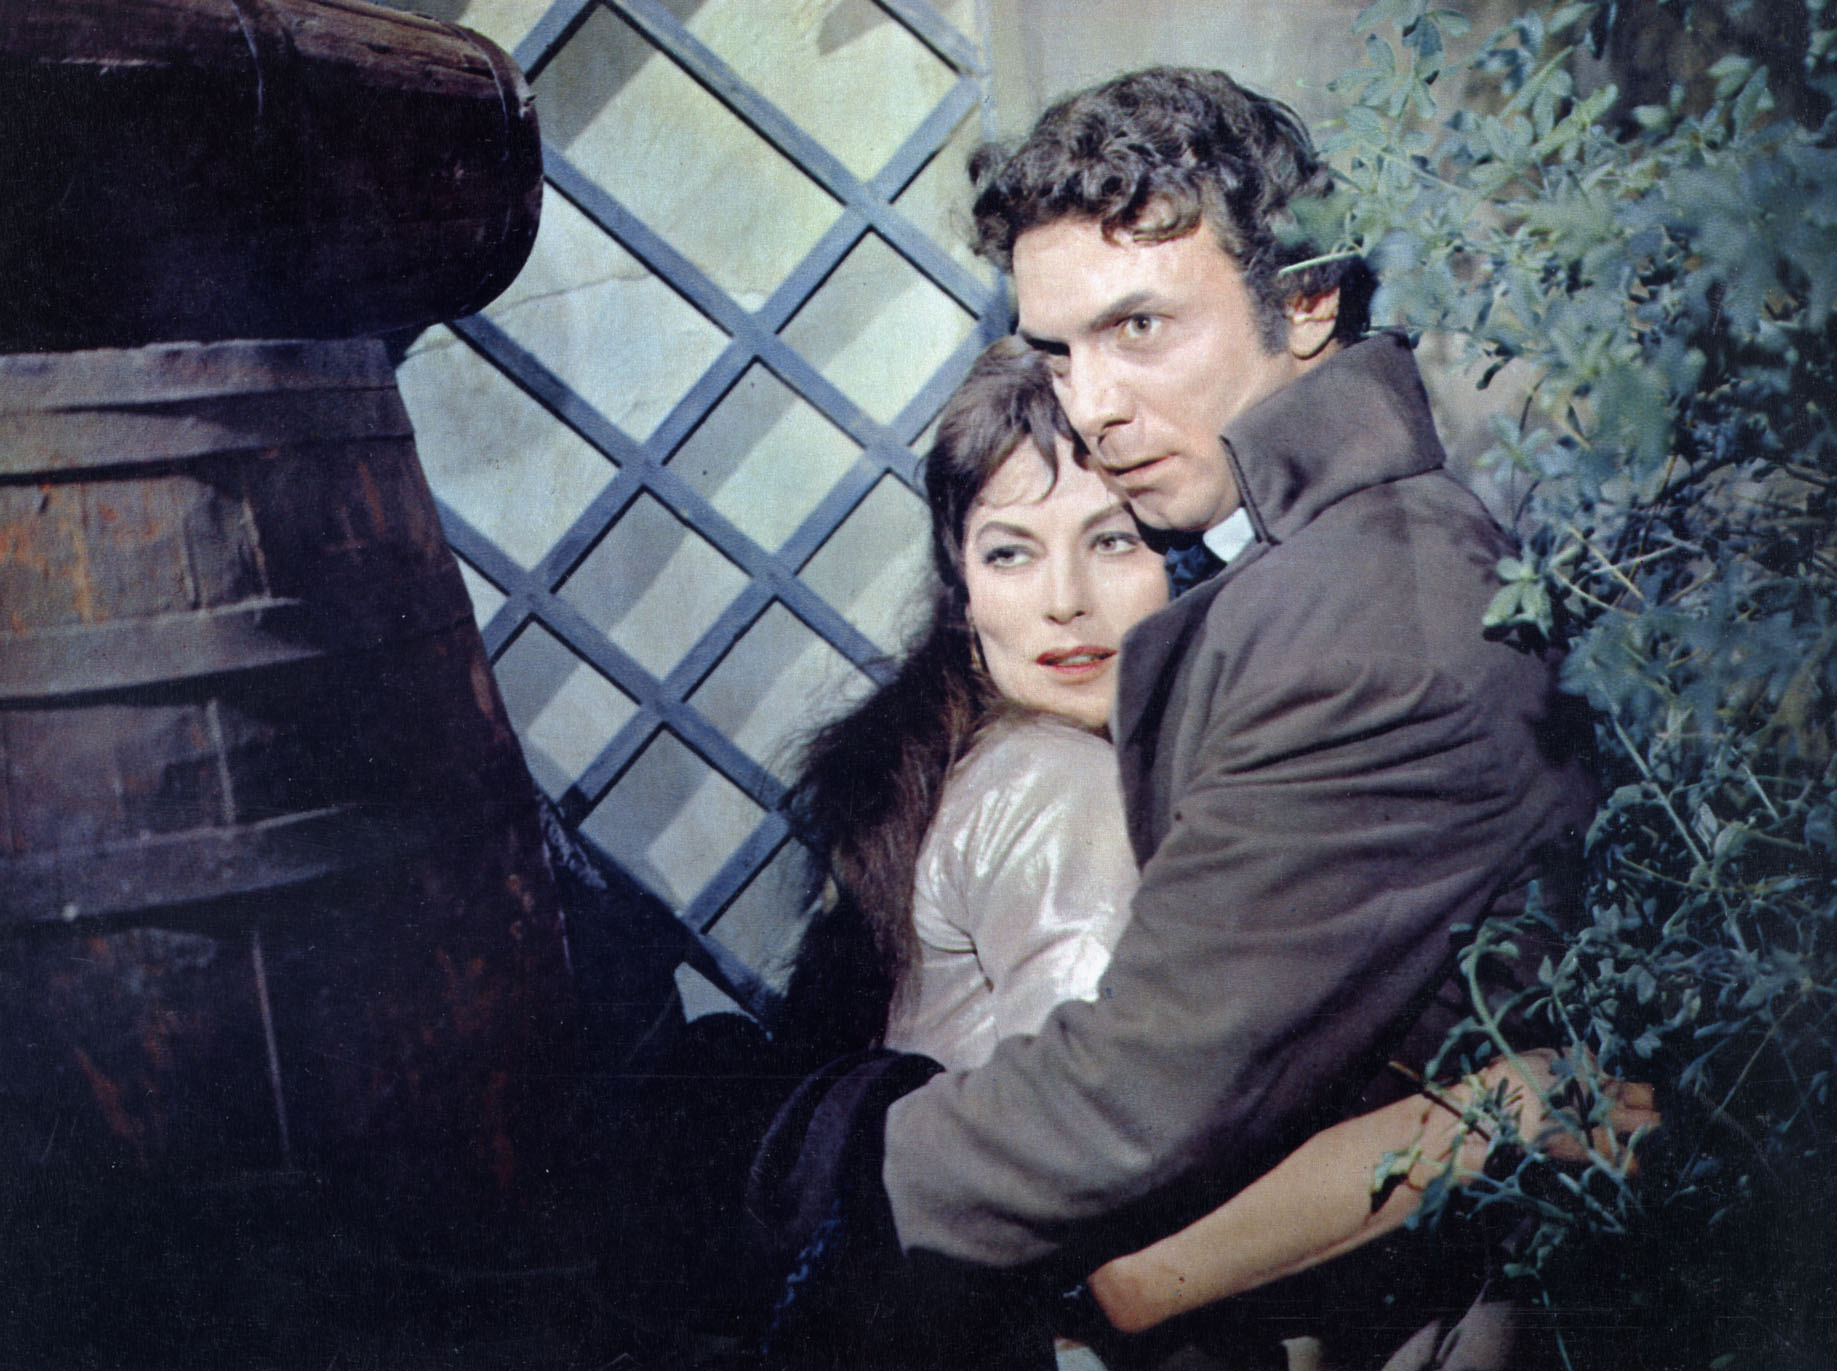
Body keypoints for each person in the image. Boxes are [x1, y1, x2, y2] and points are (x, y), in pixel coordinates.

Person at [757, 67, 1609, 1371]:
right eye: (1059, 350)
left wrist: (798, 1193)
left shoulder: (1363, 616)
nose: (1092, 405)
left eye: (1139, 328)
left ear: (1307, 299)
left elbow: (1142, 1094)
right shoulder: (1300, 556)